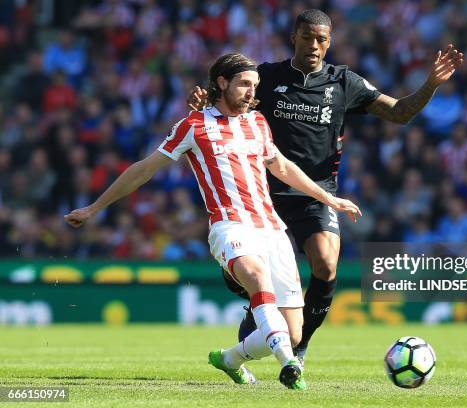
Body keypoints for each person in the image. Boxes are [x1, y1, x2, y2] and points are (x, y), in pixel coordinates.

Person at [64, 53, 361, 390]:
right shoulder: (193, 126)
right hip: (229, 226)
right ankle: (289, 365)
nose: (252, 92)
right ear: (222, 82)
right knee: (255, 276)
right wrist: (94, 208)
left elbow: (283, 167)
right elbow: (143, 170)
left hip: (273, 230)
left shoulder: (258, 123)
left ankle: (230, 359)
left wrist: (329, 198)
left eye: (255, 86)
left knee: (294, 332)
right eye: (245, 84)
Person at [188, 9, 464, 362]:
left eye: (322, 40)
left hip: (315, 192)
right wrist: (202, 106)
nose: (314, 46)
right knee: (257, 279)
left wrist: (430, 84)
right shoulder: (268, 77)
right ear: (295, 37)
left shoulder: (343, 82)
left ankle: (299, 348)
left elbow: (400, 112)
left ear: (330, 42)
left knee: (326, 265)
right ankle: (252, 327)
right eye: (308, 38)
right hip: (263, 194)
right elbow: (228, 101)